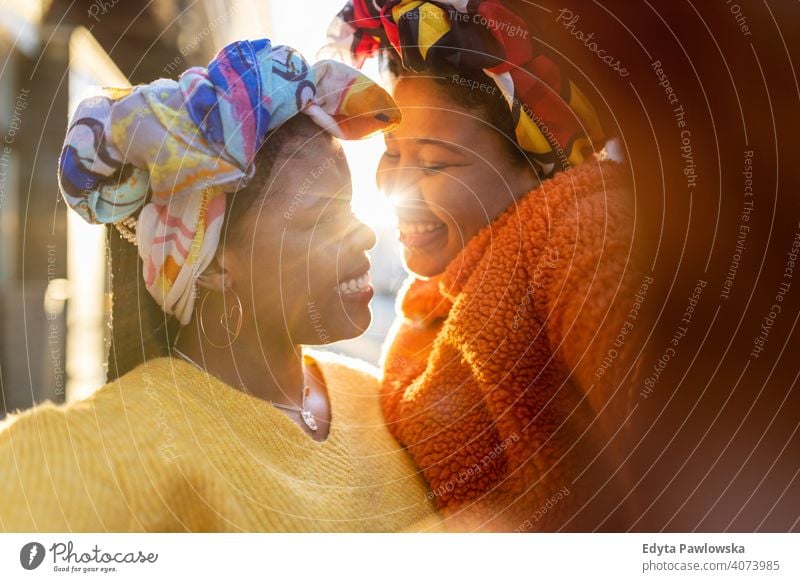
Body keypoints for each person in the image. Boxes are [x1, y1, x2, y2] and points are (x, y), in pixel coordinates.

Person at [0, 38, 438, 532]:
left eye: (351, 207)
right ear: (208, 263)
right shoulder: (78, 458)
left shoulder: (379, 399)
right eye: (319, 218)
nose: (364, 233)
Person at [326, 0, 651, 531]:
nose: (396, 187)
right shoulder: (443, 284)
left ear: (535, 162)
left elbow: (674, 438)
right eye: (391, 152)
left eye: (434, 163)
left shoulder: (580, 227)